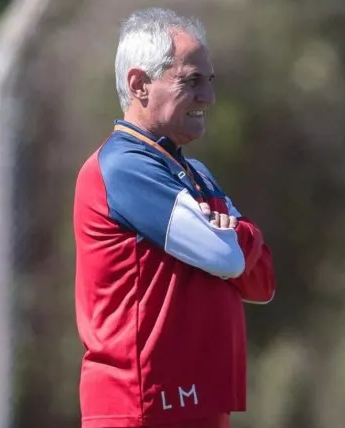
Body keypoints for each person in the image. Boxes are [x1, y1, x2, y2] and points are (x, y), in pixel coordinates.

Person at [73, 7, 276, 428]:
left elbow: (262, 283)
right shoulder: (123, 166)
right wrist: (239, 238)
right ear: (139, 84)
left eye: (209, 80)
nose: (208, 97)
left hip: (199, 404)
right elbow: (228, 259)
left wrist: (238, 235)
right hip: (143, 407)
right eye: (191, 80)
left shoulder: (196, 174)